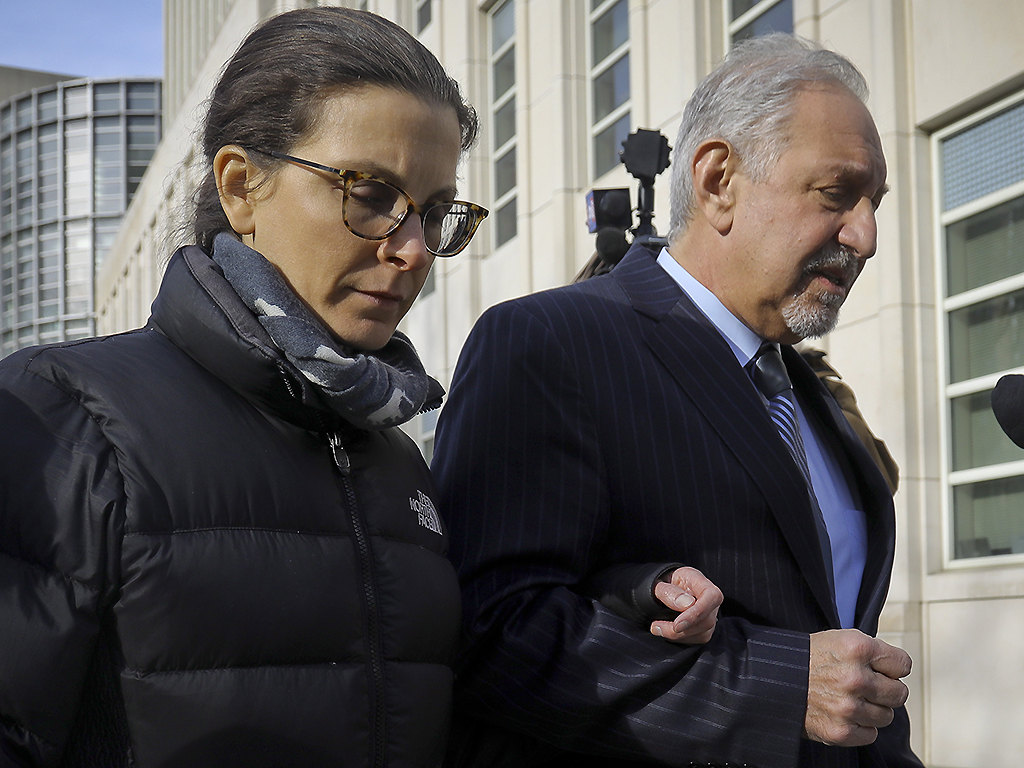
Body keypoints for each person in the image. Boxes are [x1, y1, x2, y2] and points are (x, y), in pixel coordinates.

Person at [0, 8, 486, 767]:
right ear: (240, 187)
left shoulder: (396, 456)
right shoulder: (64, 416)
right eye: (371, 193)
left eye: (431, 211)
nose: (415, 248)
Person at [432, 34, 924, 768]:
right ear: (718, 178)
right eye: (835, 194)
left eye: (874, 203)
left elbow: (851, 677)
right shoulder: (548, 344)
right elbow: (493, 632)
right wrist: (780, 690)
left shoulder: (811, 397)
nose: (867, 235)